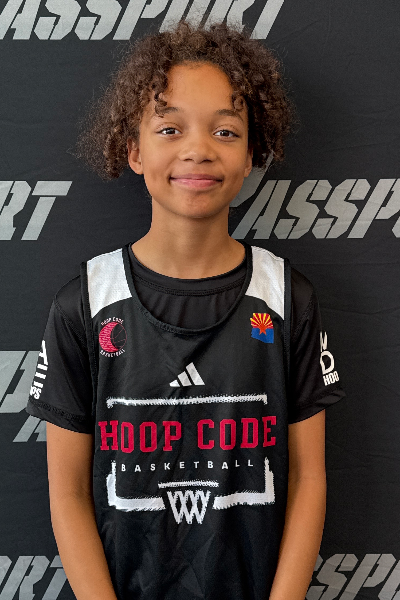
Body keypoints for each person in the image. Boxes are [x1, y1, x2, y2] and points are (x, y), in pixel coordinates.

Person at [25, 19, 346, 600]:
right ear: (133, 149)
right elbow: (67, 493)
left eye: (225, 131)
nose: (197, 149)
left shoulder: (285, 297)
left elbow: (308, 480)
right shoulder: (86, 303)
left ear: (251, 154)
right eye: (170, 128)